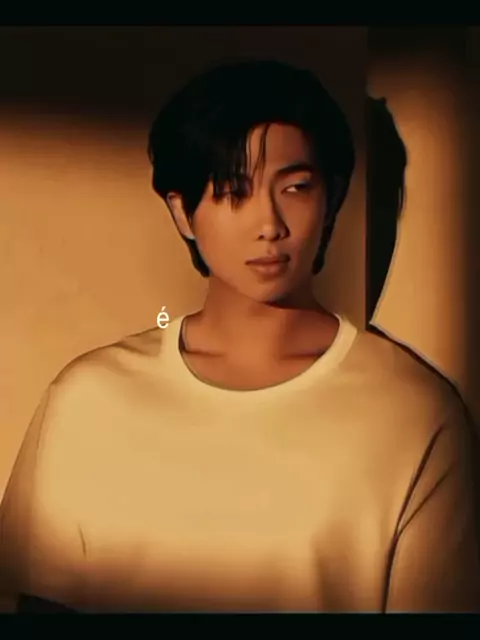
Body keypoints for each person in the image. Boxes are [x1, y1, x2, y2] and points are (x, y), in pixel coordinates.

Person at [0, 59, 479, 613]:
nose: (269, 225)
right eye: (234, 191)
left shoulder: (414, 413)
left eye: (295, 187)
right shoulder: (89, 400)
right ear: (182, 212)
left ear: (331, 199)